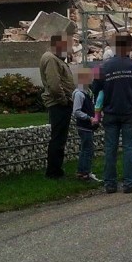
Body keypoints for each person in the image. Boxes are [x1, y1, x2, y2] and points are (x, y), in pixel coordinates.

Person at [92, 32, 132, 194]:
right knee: (129, 147)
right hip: (129, 111)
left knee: (110, 148)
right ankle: (130, 183)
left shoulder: (102, 68)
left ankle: (110, 183)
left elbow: (95, 89)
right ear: (129, 46)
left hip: (110, 112)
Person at [39, 33, 76, 179]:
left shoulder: (56, 59)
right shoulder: (51, 59)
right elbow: (54, 85)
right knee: (58, 138)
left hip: (61, 103)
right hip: (58, 104)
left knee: (60, 138)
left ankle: (56, 169)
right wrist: (63, 100)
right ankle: (54, 172)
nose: (70, 49)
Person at [72, 67, 101, 182]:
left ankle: (82, 171)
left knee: (85, 148)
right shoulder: (79, 94)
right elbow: (76, 111)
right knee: (88, 149)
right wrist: (89, 118)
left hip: (86, 126)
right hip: (85, 126)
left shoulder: (86, 92)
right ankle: (86, 172)